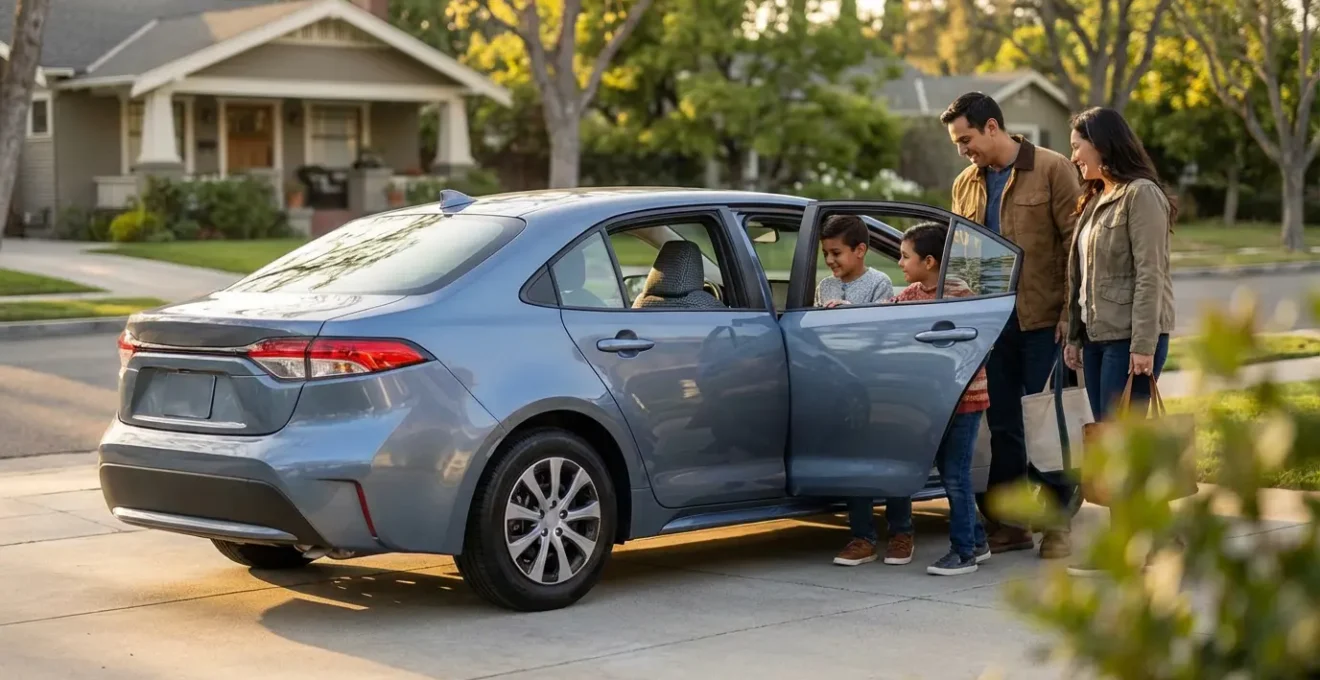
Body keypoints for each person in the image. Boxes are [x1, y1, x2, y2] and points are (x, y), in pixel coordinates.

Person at [942, 92, 1082, 559]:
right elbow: (964, 254)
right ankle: (1010, 525)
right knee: (1002, 425)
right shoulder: (965, 182)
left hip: (1045, 320)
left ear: (992, 128)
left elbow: (1075, 246)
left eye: (966, 139)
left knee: (1046, 424)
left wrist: (1069, 314)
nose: (964, 150)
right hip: (992, 324)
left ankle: (1057, 524)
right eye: (959, 143)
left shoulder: (1052, 168)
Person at [1059, 107, 1177, 576]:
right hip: (1097, 337)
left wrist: (1143, 346)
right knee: (1112, 442)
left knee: (1118, 447)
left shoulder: (1140, 195)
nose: (1073, 157)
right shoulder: (1096, 198)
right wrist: (1073, 335)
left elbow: (1151, 275)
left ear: (1102, 145)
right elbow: (1079, 276)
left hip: (1132, 339)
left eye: (1077, 146)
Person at [886, 223, 991, 575]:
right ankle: (976, 540)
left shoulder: (960, 295)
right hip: (935, 402)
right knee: (952, 472)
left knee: (955, 475)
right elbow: (883, 315)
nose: (900, 262)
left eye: (905, 256)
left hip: (963, 400)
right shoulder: (912, 294)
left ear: (929, 261)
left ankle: (963, 554)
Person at [813, 214, 906, 567]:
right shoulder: (825, 287)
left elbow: (882, 328)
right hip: (843, 386)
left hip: (875, 383)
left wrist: (851, 312)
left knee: (888, 458)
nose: (831, 260)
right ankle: (862, 535)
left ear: (861, 250)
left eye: (837, 252)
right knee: (856, 461)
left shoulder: (879, 282)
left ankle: (901, 531)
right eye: (826, 254)